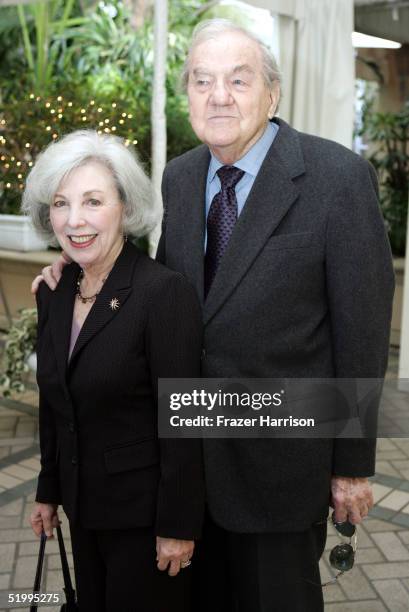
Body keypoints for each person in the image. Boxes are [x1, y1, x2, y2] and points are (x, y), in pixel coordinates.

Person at [33, 19, 395, 612]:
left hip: (279, 463)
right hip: (184, 467)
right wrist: (71, 273)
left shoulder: (338, 180)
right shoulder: (179, 176)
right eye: (202, 81)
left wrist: (352, 466)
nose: (218, 95)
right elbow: (157, 289)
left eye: (238, 79)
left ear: (271, 92)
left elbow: (361, 332)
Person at [26, 130, 205, 612]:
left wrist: (178, 526)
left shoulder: (162, 293)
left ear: (125, 206)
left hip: (144, 522)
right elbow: (54, 403)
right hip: (83, 511)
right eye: (61, 203)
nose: (74, 220)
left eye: (92, 201)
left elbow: (184, 423)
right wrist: (48, 491)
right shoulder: (55, 293)